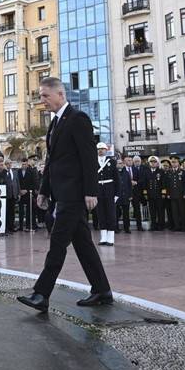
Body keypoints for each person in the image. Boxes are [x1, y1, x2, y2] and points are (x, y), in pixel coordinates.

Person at [17, 77, 112, 312]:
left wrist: (91, 191)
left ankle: (41, 294)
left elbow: (89, 157)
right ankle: (102, 290)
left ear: (60, 94)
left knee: (58, 243)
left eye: (45, 96)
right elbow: (52, 162)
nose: (42, 101)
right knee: (83, 245)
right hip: (61, 193)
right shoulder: (55, 123)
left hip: (75, 195)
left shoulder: (78, 119)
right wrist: (44, 191)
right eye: (40, 96)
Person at [94, 142, 119, 245]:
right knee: (101, 214)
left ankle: (111, 237)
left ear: (106, 150)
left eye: (103, 149)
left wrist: (117, 194)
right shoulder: (93, 161)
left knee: (111, 214)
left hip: (109, 191)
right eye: (99, 149)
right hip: (98, 191)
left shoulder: (112, 162)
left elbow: (117, 179)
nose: (100, 151)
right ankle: (103, 237)